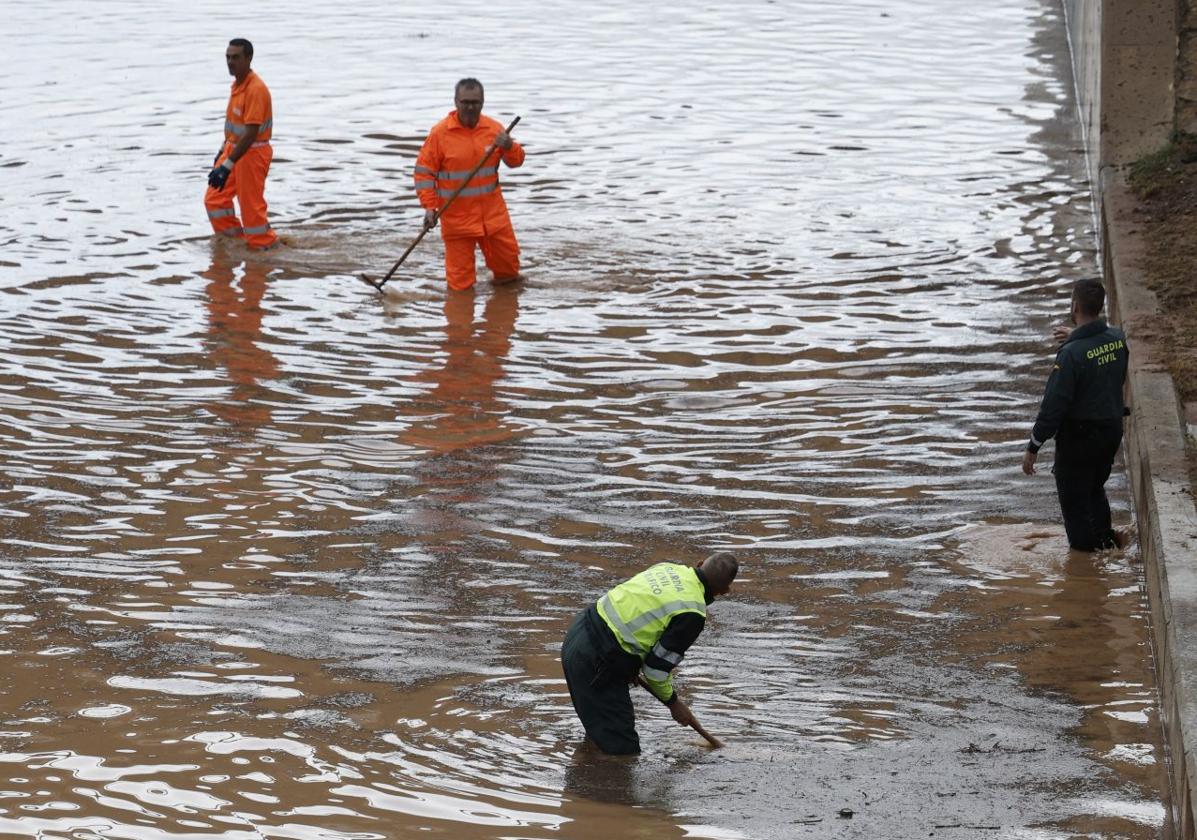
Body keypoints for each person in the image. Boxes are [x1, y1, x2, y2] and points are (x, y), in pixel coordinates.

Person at [560, 552, 739, 755]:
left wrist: (629, 665)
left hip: (580, 631)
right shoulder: (693, 613)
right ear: (725, 591)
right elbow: (655, 671)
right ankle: (599, 782)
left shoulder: (667, 567)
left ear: (699, 563)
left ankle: (585, 772)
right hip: (595, 660)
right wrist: (674, 703)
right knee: (623, 752)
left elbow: (635, 610)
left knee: (601, 734)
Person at [1022, 278, 1129, 551]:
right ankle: (1107, 542)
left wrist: (1034, 445)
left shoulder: (1070, 355)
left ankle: (1086, 569)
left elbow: (1053, 406)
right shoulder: (1117, 339)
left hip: (1080, 440)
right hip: (1111, 432)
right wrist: (1077, 338)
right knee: (1094, 488)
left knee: (1074, 502)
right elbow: (1101, 366)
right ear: (1100, 305)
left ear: (1075, 305)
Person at [413, 78, 524, 292]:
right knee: (460, 286)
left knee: (509, 274)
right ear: (455, 102)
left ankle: (500, 316)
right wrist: (429, 207)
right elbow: (424, 173)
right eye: (465, 102)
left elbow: (516, 161)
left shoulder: (494, 129)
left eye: (475, 102)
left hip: (494, 218)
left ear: (482, 102)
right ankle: (461, 323)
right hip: (457, 220)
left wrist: (510, 146)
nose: (470, 107)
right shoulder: (440, 134)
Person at [204, 38, 279, 250]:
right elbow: (234, 127)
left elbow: (250, 133)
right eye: (227, 57)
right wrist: (222, 153)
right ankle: (235, 244)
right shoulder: (238, 86)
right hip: (233, 150)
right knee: (215, 201)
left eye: (236, 57)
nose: (230, 62)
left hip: (252, 153)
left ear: (248, 58)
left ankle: (264, 248)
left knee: (251, 209)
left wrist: (227, 165)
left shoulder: (256, 89)